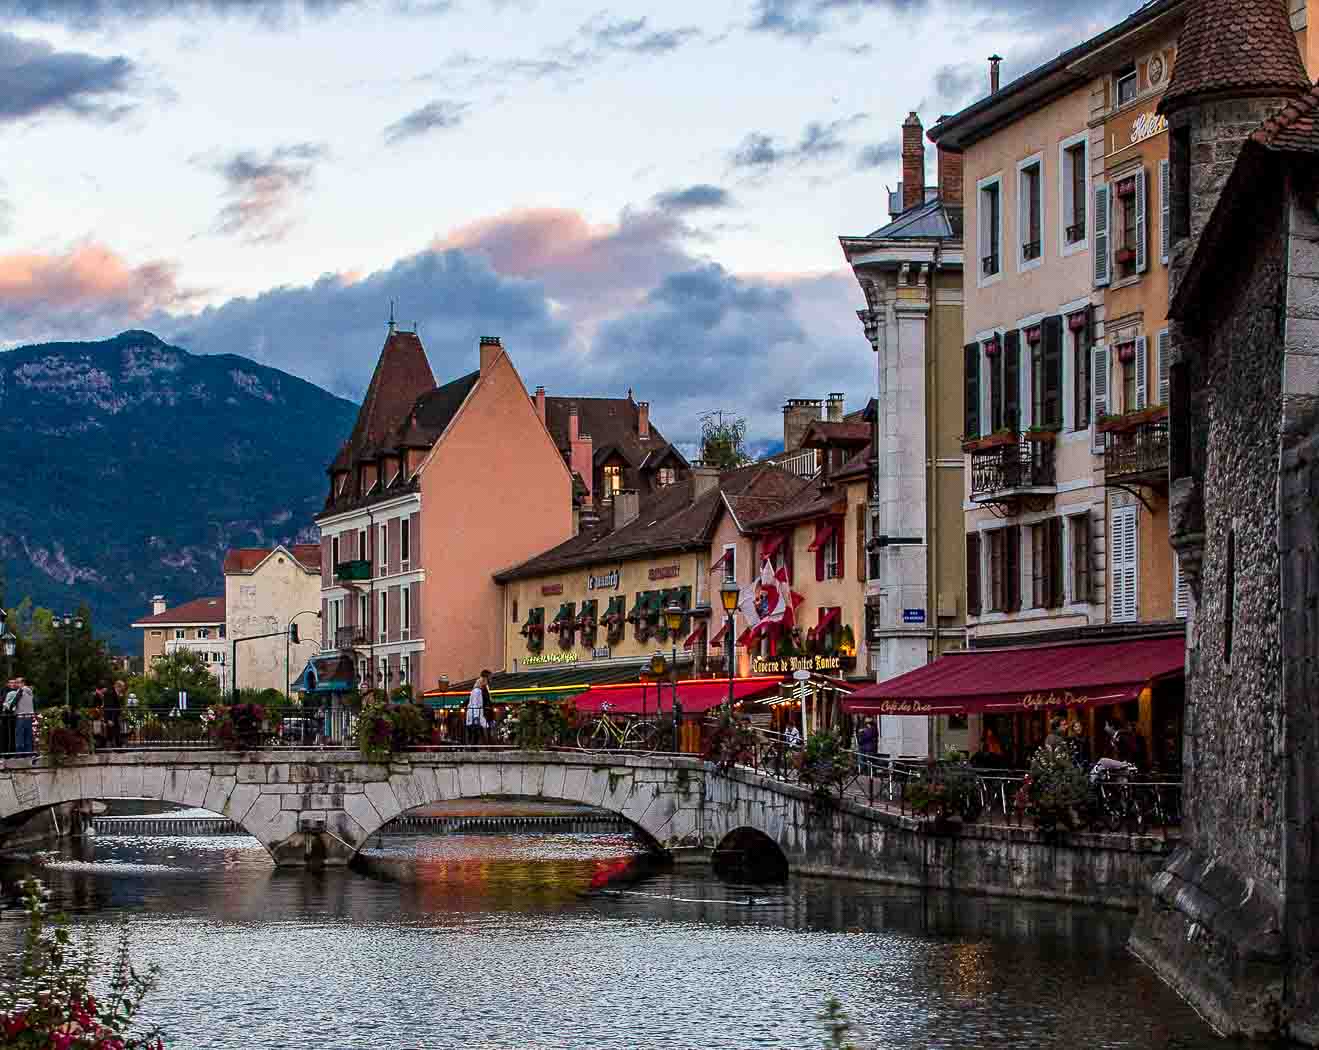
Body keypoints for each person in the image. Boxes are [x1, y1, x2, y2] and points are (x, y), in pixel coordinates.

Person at [466, 670, 491, 746]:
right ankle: (486, 747)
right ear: (485, 679)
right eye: (489, 678)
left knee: (481, 731)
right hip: (476, 715)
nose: (490, 680)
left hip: (479, 715)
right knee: (478, 733)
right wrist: (476, 717)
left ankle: (484, 747)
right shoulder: (477, 691)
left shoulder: (480, 689)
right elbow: (475, 704)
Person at [11, 678, 34, 755]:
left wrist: (11, 708)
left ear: (23, 683)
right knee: (28, 736)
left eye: (18, 682)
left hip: (21, 716)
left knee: (19, 736)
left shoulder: (21, 690)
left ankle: (19, 755)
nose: (16, 684)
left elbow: (14, 702)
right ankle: (29, 754)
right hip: (29, 716)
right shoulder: (29, 691)